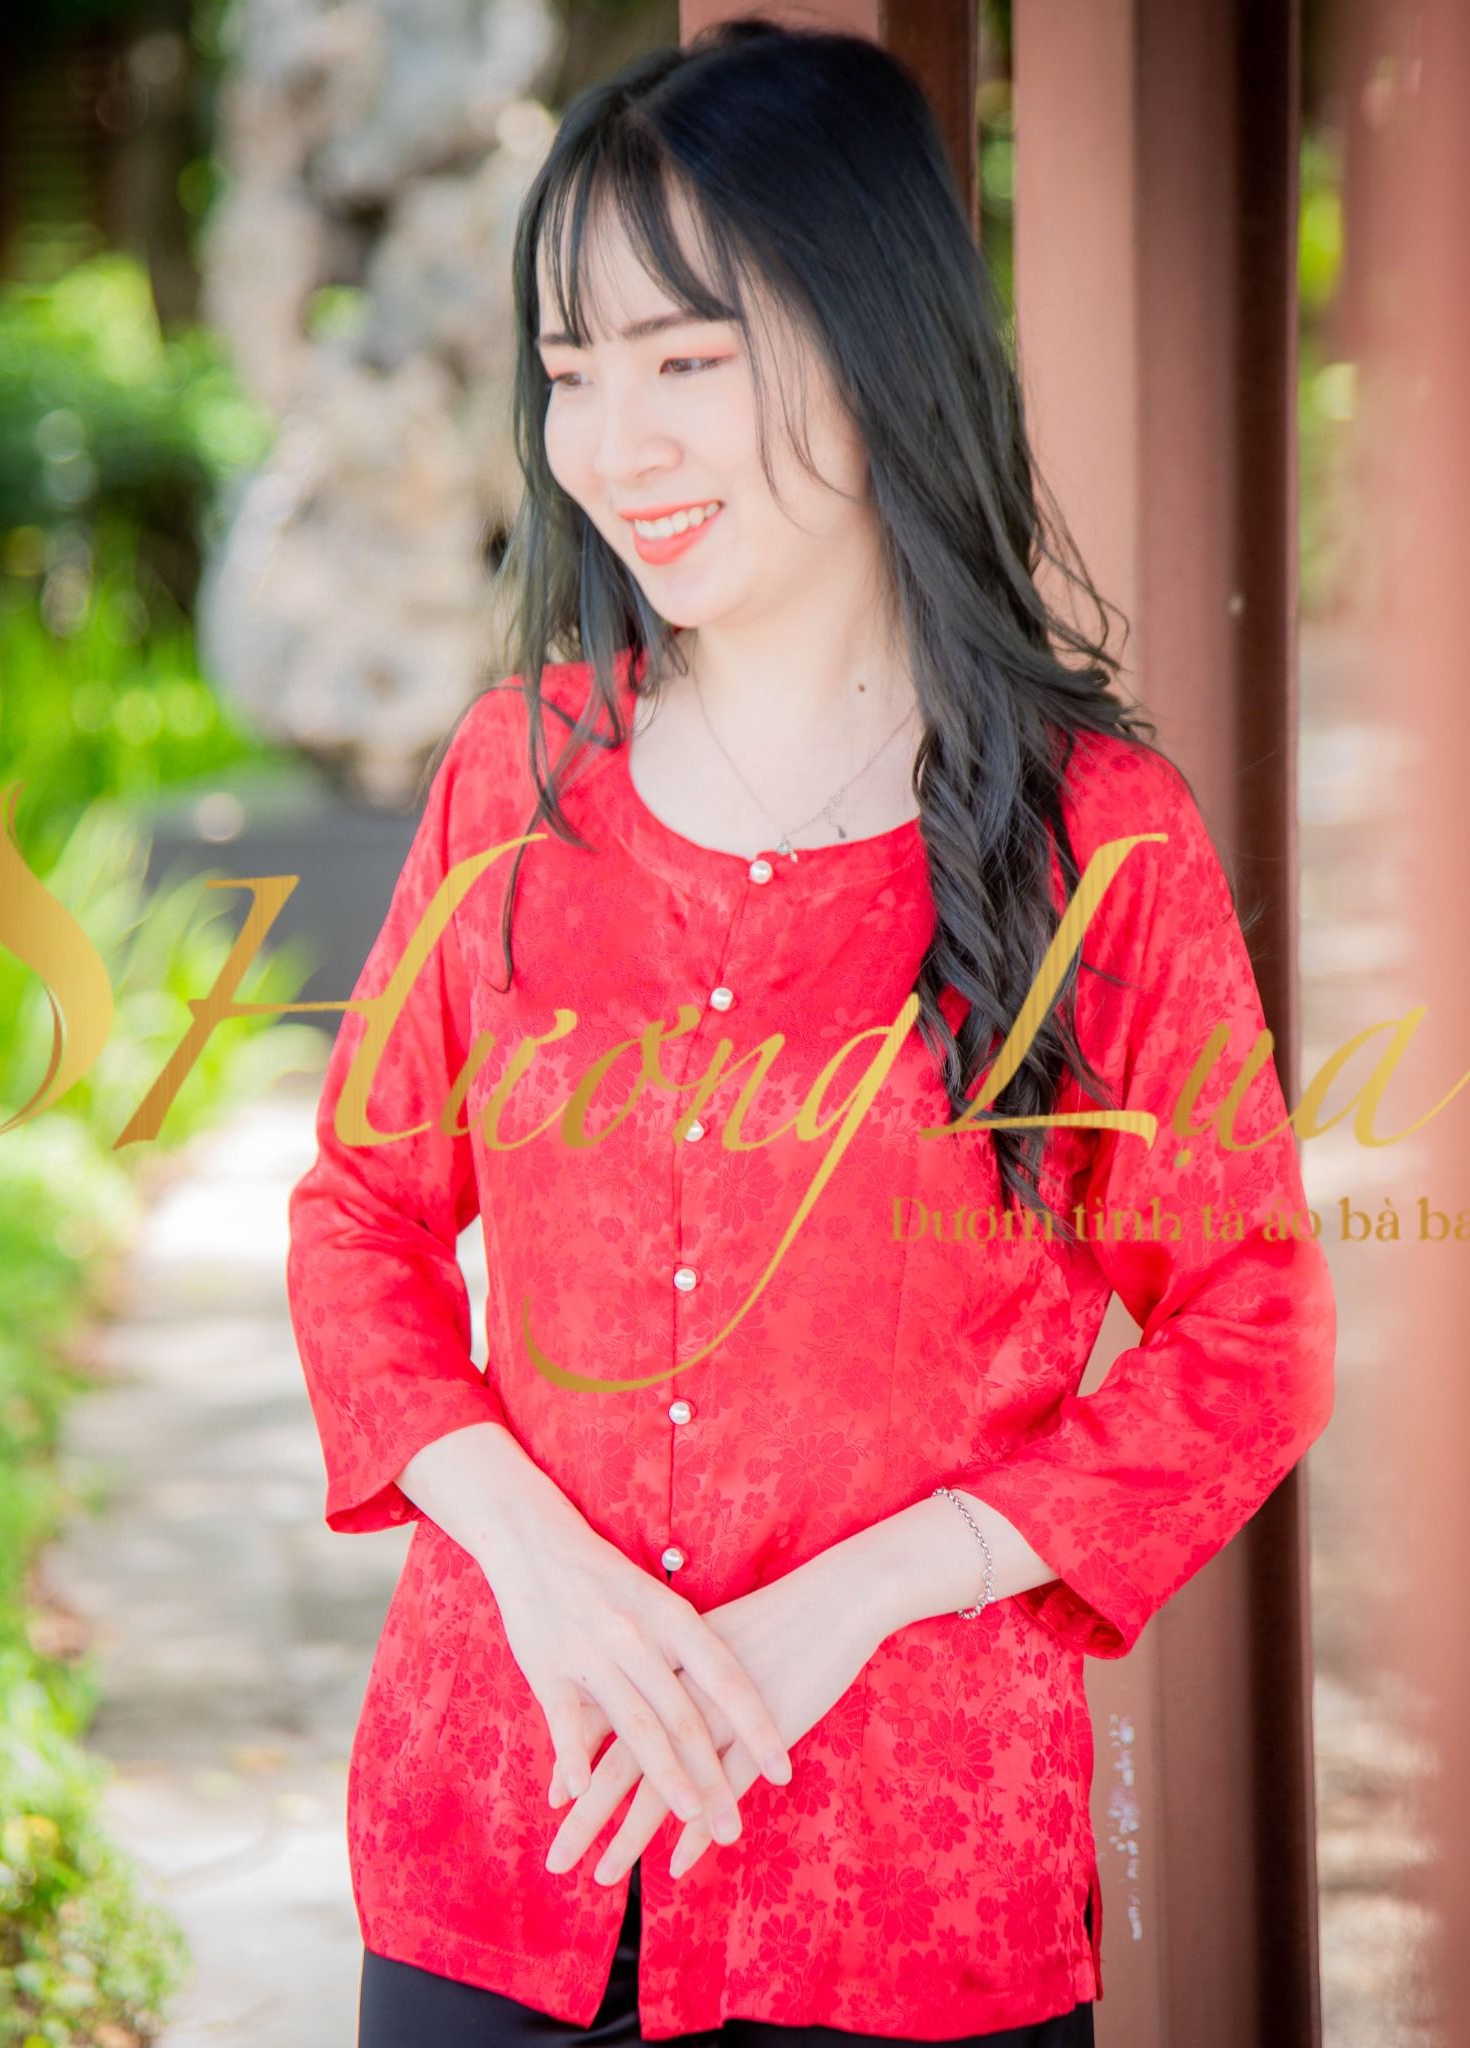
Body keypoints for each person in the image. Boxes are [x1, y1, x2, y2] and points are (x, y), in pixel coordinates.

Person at [285, 18, 1337, 2045]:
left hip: (903, 1889)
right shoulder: (514, 779)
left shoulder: (1094, 843)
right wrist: (533, 1560)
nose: (613, 447)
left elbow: (1251, 1329)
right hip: (497, 1846)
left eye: (686, 361)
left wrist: (859, 1593)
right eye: (572, 371)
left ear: (872, 345)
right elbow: (359, 1217)